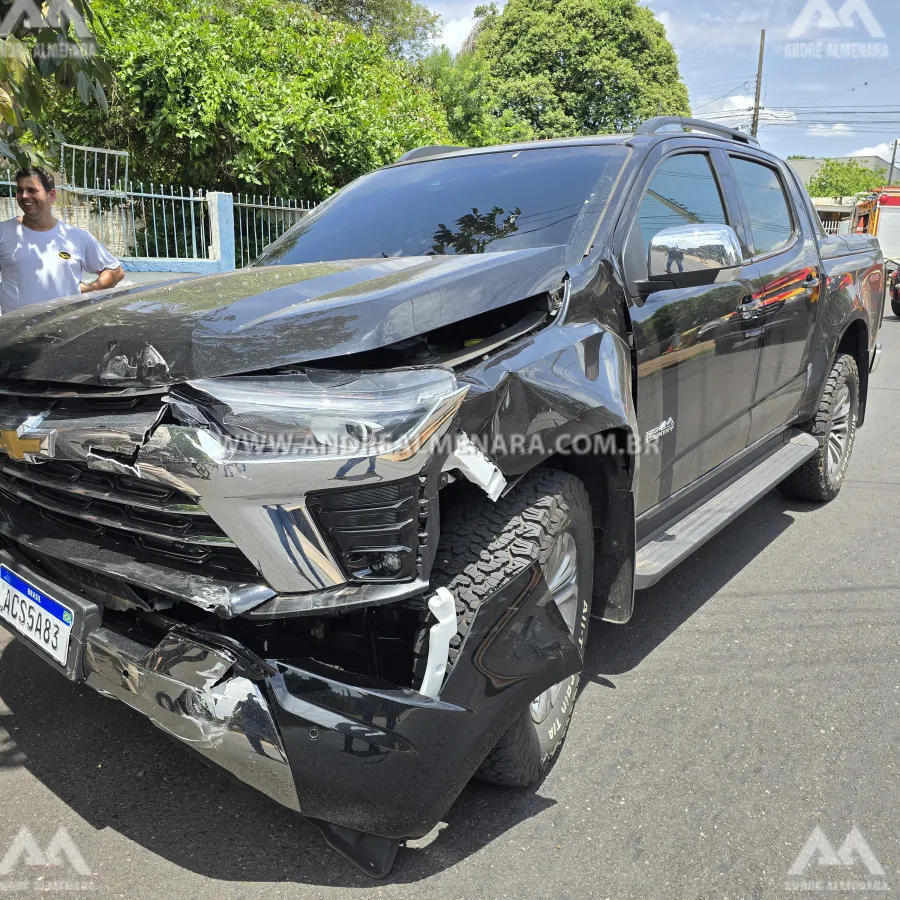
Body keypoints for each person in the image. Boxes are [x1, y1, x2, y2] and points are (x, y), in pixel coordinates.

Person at [0, 166, 124, 314]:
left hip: (64, 331)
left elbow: (115, 271)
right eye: (20, 190)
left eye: (32, 190)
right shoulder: (3, 232)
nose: (24, 196)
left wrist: (91, 289)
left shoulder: (75, 237)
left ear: (51, 195)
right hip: (16, 332)